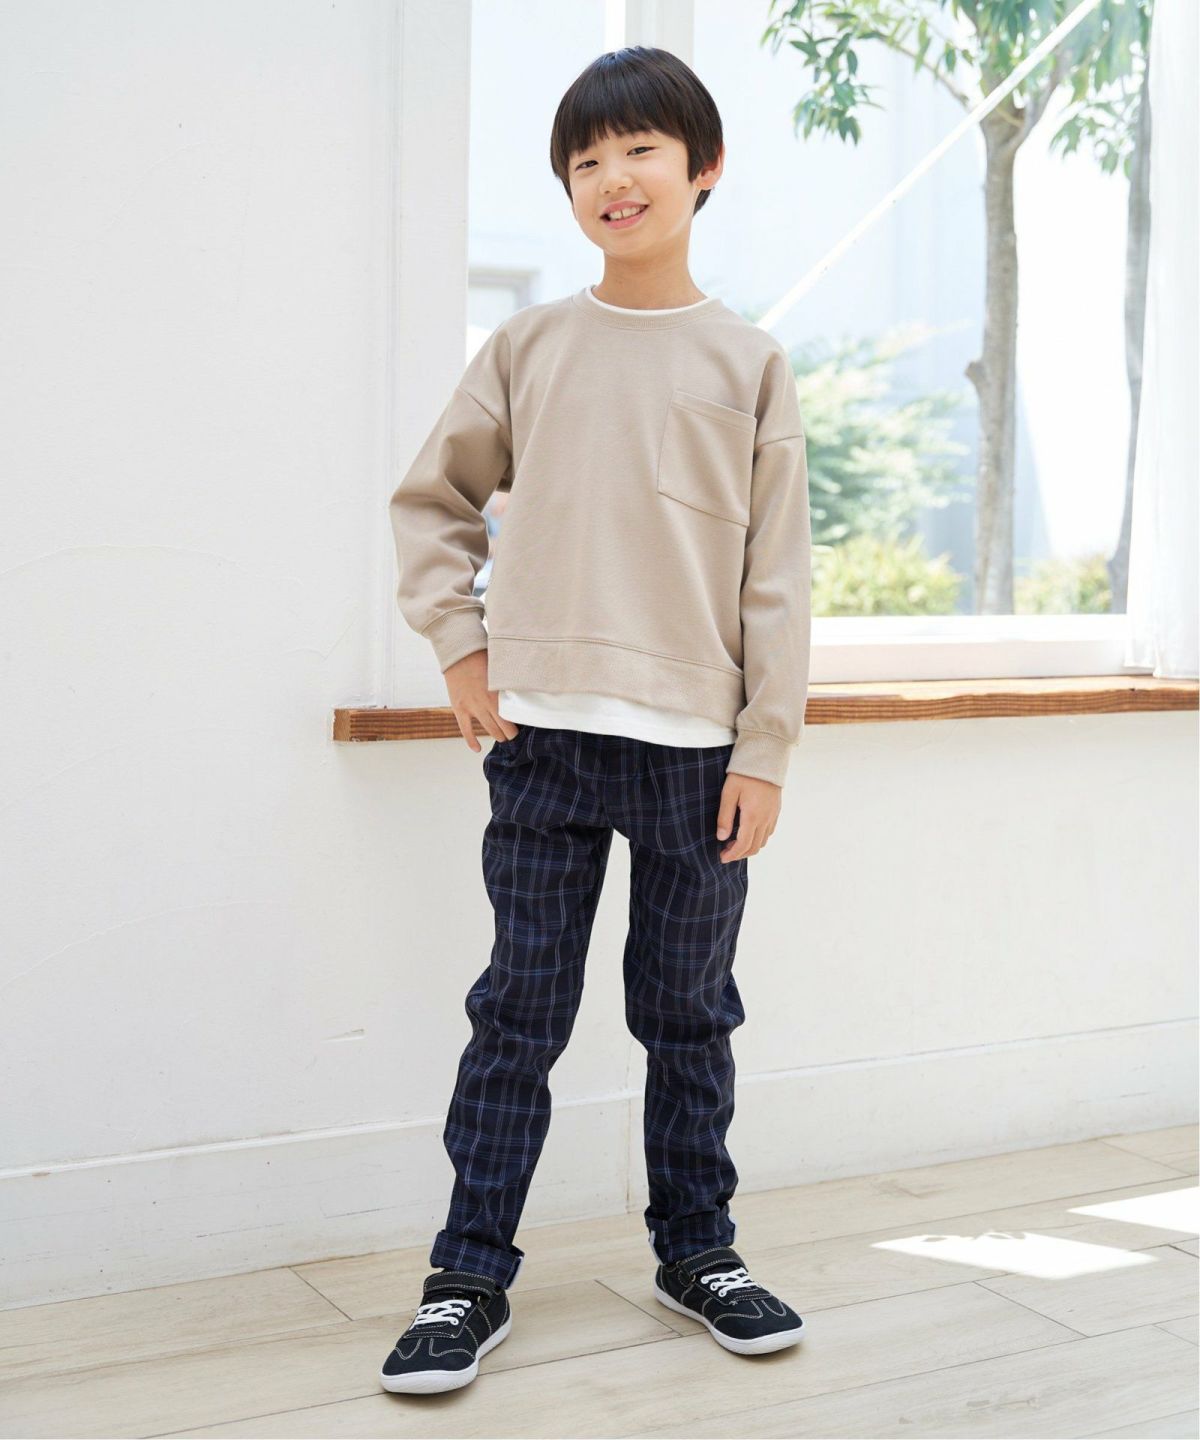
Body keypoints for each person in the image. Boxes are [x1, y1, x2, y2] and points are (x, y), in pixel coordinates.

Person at [380, 45, 812, 1396]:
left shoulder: (749, 361)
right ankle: (467, 1275)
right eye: (585, 161)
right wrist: (460, 645)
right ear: (568, 190)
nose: (613, 179)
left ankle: (700, 1253)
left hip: (697, 754)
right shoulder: (528, 348)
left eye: (639, 151)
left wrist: (766, 749)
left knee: (689, 1017)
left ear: (703, 168)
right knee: (518, 1013)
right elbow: (432, 503)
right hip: (542, 744)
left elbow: (778, 578)